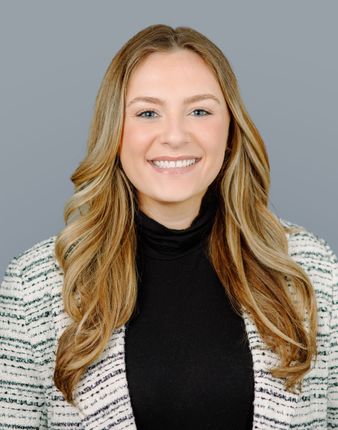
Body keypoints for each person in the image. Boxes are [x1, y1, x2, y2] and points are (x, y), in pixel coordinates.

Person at [0, 24, 337, 430]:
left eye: (199, 111)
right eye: (147, 113)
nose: (175, 136)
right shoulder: (35, 286)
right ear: (115, 132)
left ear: (230, 128)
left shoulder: (309, 271)